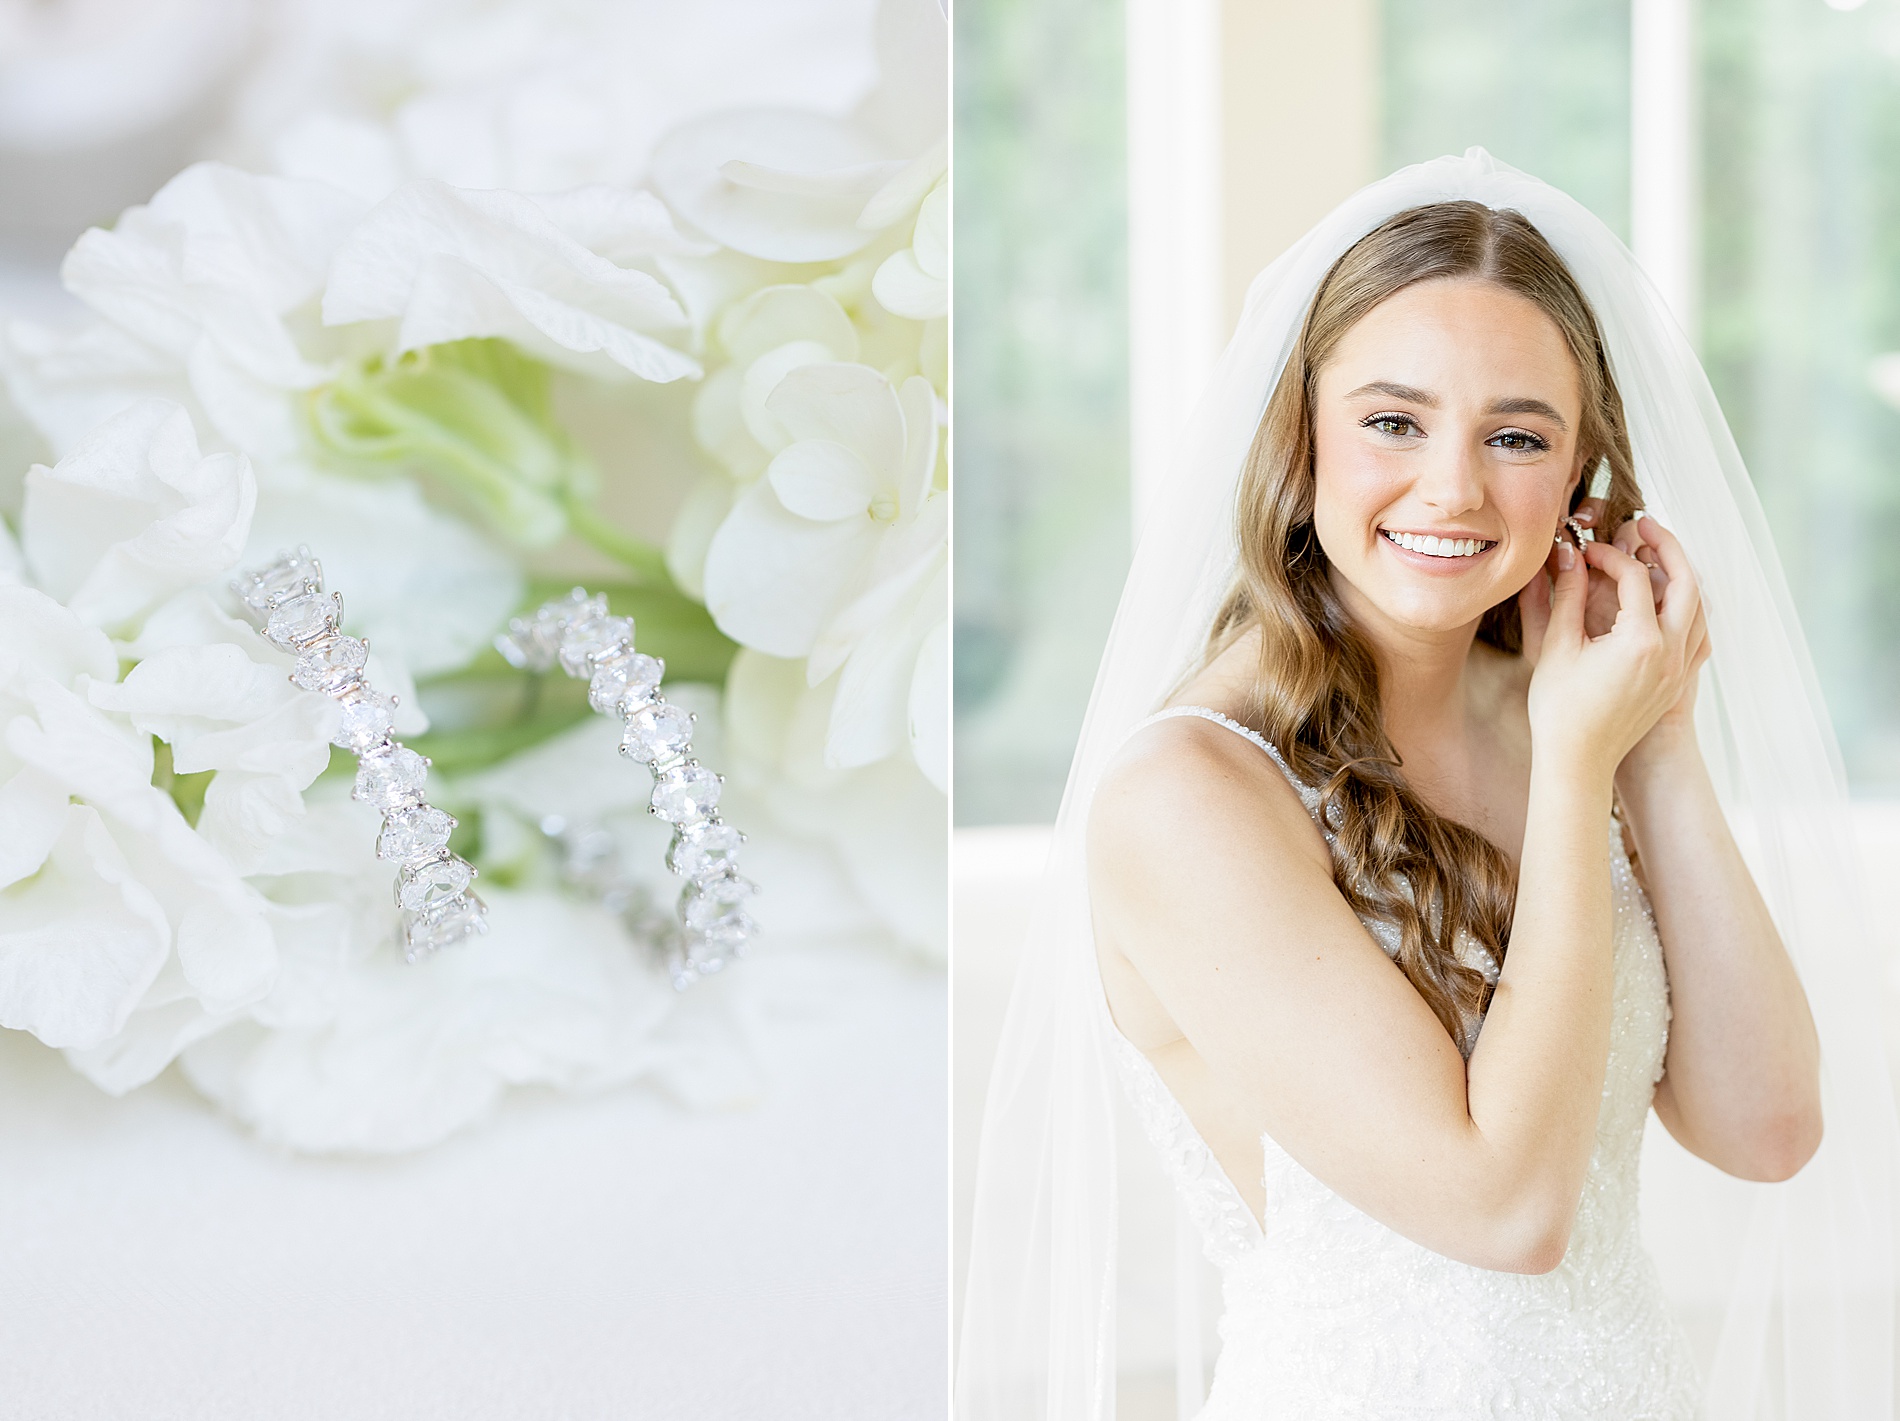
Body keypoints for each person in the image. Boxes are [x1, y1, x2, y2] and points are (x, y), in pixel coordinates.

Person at [957, 153, 1897, 1420]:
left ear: (1579, 481)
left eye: (1515, 436)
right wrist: (1575, 771)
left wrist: (1655, 731)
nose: (1452, 487)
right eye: (1392, 421)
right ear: (1299, 436)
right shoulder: (1191, 794)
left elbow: (1766, 1125)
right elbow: (1502, 1209)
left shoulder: (1570, 708)